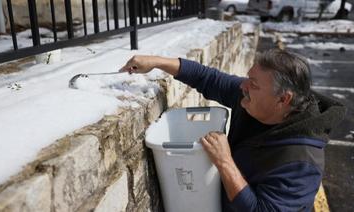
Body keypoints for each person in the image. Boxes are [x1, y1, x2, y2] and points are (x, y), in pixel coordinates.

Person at [120, 48, 346, 211]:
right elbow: (209, 78)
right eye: (248, 78)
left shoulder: (302, 161)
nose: (242, 86)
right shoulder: (255, 99)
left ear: (283, 99)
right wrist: (156, 61)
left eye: (253, 84)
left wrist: (224, 162)